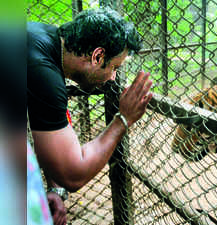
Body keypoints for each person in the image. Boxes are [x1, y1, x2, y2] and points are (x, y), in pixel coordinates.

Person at [27, 8, 152, 225]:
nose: (113, 77)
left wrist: (55, 189)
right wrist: (123, 119)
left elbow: (49, 138)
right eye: (114, 67)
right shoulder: (42, 70)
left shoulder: (40, 40)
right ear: (97, 56)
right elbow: (73, 174)